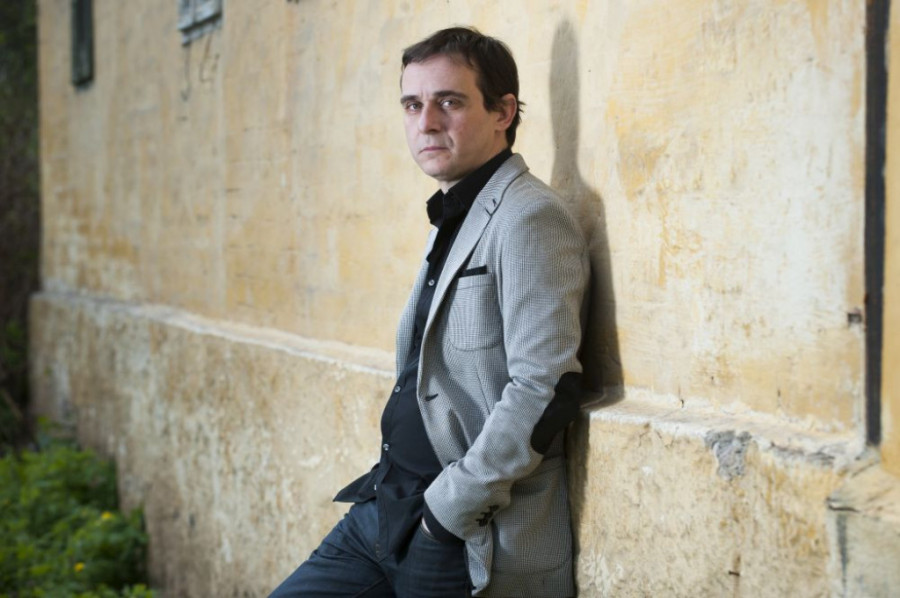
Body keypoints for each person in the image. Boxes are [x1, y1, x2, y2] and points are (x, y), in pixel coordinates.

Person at [270, 26, 588, 598]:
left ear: (503, 112)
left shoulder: (529, 217)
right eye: (413, 105)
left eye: (450, 102)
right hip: (384, 508)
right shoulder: (457, 211)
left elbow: (547, 387)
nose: (427, 123)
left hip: (460, 532)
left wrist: (444, 517)